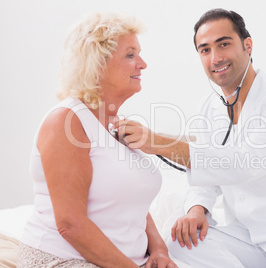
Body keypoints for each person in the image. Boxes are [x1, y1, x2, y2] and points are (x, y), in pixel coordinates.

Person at [116, 8, 266, 268]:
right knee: (180, 244)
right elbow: (205, 178)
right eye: (205, 50)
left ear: (247, 46)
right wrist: (197, 209)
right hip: (249, 238)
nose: (215, 58)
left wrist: (156, 142)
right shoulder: (208, 108)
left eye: (223, 44)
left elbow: (244, 163)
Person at [17, 12, 177, 268]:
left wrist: (159, 250)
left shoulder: (116, 123)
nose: (143, 63)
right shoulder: (66, 122)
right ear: (97, 64)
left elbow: (130, 202)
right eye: (130, 54)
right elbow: (70, 224)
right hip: (63, 259)